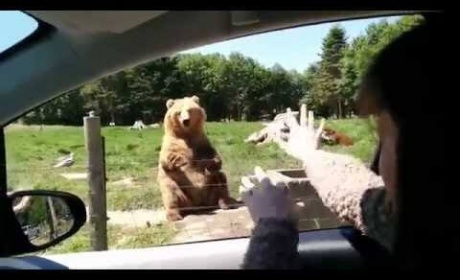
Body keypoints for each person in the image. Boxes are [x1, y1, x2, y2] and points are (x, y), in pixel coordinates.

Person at [240, 15, 450, 269]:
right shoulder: (427, 224)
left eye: (382, 137)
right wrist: (311, 154)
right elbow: (360, 197)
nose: (380, 163)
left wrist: (272, 227)